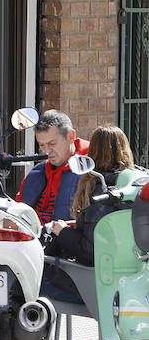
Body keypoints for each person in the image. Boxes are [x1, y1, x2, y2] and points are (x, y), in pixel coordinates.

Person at [46, 124, 139, 265]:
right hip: (135, 265)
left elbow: (91, 251)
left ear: (93, 152)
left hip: (102, 274)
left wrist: (63, 232)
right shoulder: (138, 182)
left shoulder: (101, 189)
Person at [18, 109, 89, 223]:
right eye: (42, 145)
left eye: (52, 143)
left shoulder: (92, 171)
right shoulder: (36, 173)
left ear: (71, 136)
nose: (46, 151)